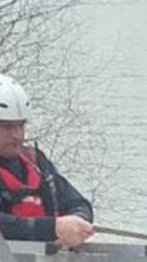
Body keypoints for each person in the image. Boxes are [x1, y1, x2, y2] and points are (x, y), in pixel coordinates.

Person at [0, 74, 94, 248]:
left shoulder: (36, 163)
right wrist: (52, 228)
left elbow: (77, 202)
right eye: (6, 127)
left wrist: (77, 221)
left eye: (20, 125)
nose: (17, 135)